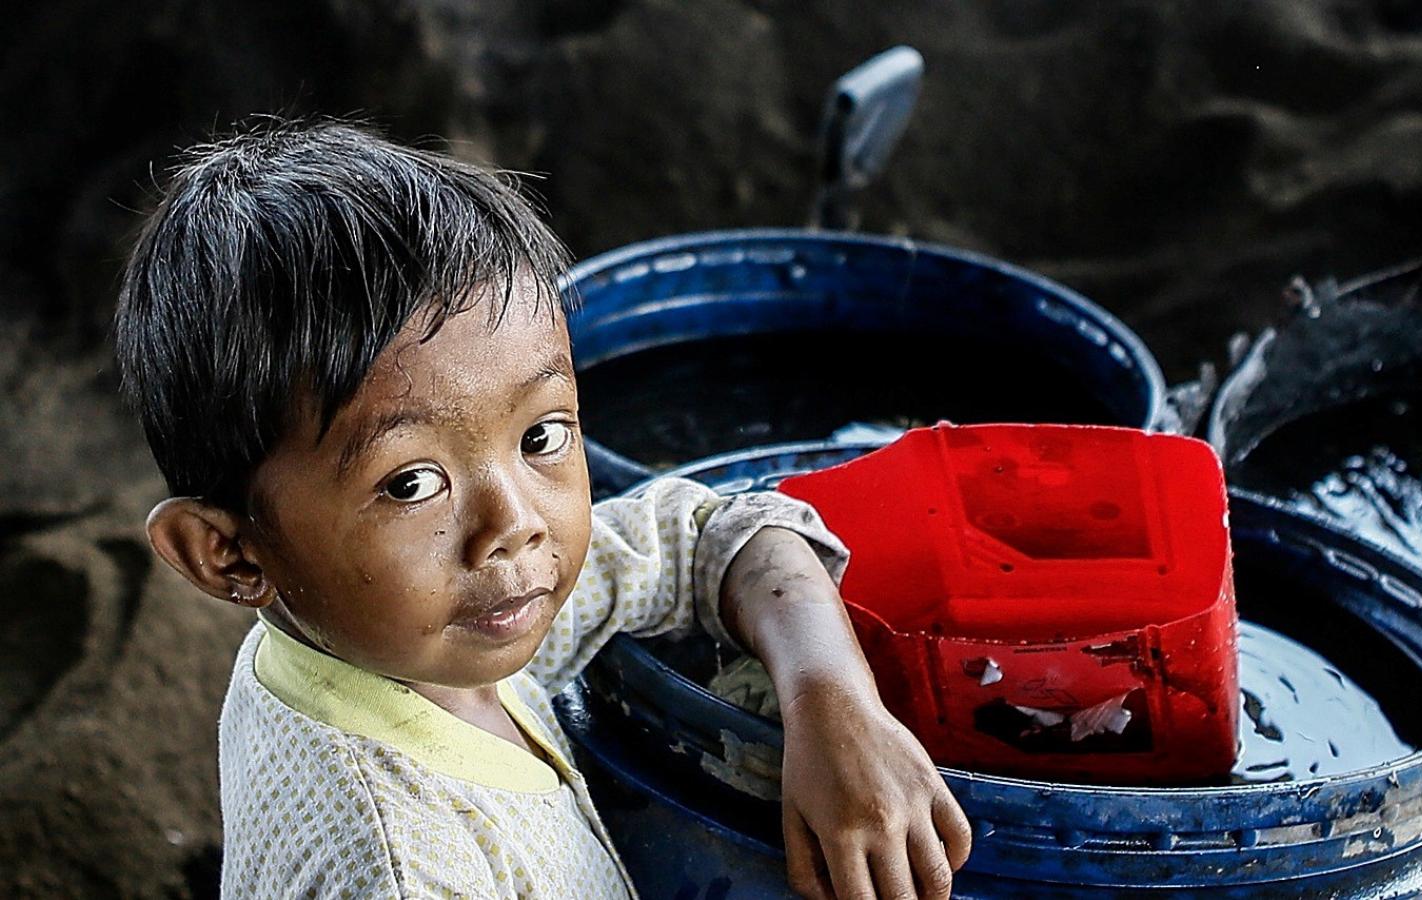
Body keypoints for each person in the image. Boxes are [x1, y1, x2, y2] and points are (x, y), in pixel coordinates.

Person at [114, 118, 970, 899]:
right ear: (226, 555)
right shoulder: (401, 867)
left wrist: (834, 702)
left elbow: (711, 531)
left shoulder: (416, 628)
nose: (514, 523)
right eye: (411, 484)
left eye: (542, 435)